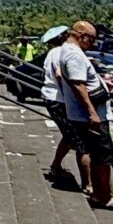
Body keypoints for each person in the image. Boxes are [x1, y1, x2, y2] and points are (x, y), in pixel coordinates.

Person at [55, 19, 113, 212]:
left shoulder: (67, 52)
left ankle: (99, 194)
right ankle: (104, 196)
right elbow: (78, 85)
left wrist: (101, 82)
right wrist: (92, 113)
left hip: (84, 114)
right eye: (92, 39)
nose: (93, 44)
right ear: (82, 36)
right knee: (103, 157)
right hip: (91, 116)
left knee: (97, 156)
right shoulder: (74, 55)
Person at [39, 33, 78, 190]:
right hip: (59, 98)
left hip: (51, 96)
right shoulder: (62, 52)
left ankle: (56, 165)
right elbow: (59, 75)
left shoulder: (51, 53)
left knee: (69, 135)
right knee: (74, 136)